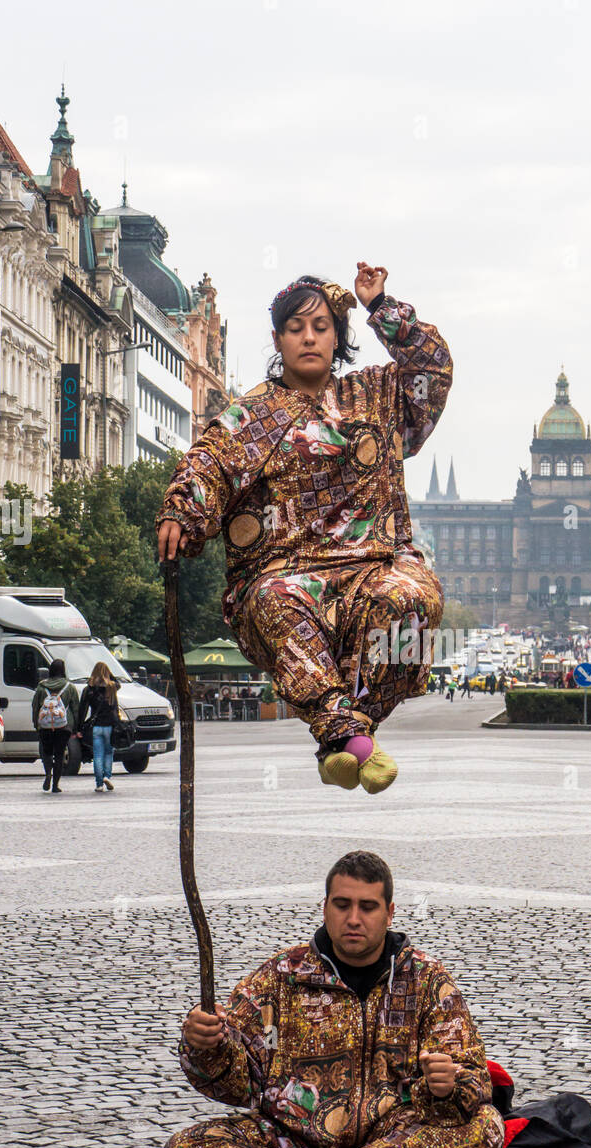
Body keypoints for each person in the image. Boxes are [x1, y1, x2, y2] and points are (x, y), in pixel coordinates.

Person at [156, 263, 452, 796]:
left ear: (338, 336)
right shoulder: (250, 417)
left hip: (375, 563)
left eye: (321, 326)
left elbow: (431, 370)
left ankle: (343, 735)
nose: (309, 337)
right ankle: (352, 740)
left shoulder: (377, 396)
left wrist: (382, 308)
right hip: (283, 573)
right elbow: (209, 463)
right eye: (296, 328)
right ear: (278, 339)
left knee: (409, 600)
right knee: (276, 599)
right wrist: (184, 509)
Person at [162, 851, 504, 1148]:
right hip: (291, 1141)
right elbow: (237, 1085)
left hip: (395, 1134)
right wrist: (206, 1047)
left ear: (389, 913)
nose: (353, 919)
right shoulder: (281, 977)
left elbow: (473, 1081)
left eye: (367, 907)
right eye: (342, 905)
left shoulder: (426, 980)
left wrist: (447, 1088)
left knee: (484, 1129)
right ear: (324, 907)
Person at [31, 658, 80, 794]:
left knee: (46, 752)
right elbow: (76, 708)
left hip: (45, 725)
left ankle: (48, 773)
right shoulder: (69, 687)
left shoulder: (41, 687)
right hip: (63, 726)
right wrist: (76, 726)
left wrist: (36, 723)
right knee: (59, 754)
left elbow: (35, 707)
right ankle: (56, 785)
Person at [78, 662, 121, 792]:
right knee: (109, 753)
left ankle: (99, 784)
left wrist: (79, 728)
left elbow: (82, 709)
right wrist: (108, 676)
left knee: (97, 755)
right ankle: (107, 776)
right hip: (110, 726)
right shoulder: (112, 687)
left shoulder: (89, 689)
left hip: (96, 726)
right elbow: (118, 684)